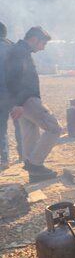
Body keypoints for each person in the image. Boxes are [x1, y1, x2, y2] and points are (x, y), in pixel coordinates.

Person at [5, 26, 61, 183]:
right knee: (54, 128)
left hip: (21, 101)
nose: (43, 48)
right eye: (43, 44)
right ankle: (35, 165)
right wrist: (18, 103)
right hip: (26, 100)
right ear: (35, 39)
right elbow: (14, 78)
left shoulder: (19, 51)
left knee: (30, 133)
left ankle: (35, 173)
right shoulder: (20, 52)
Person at [0, 22, 22, 170]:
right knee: (20, 125)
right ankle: (24, 154)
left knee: (1, 128)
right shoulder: (15, 48)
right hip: (16, 95)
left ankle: (4, 158)